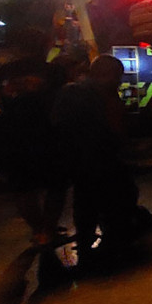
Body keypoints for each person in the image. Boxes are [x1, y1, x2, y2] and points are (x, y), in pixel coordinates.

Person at [51, 54, 139, 269]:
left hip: (77, 159)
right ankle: (114, 246)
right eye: (117, 76)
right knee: (118, 197)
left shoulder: (69, 92)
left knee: (85, 202)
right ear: (108, 75)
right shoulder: (105, 94)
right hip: (102, 157)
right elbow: (117, 128)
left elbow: (55, 124)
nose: (119, 81)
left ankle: (86, 243)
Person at [0, 26, 70, 248]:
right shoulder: (54, 71)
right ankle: (48, 229)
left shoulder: (3, 72)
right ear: (43, 45)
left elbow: (0, 103)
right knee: (56, 184)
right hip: (46, 133)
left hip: (11, 134)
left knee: (23, 187)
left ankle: (39, 231)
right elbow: (61, 104)